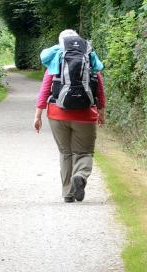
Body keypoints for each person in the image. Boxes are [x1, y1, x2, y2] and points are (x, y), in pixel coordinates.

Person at [34, 29, 106, 202]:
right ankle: (80, 175)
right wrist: (101, 112)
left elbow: (45, 89)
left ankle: (68, 193)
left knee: (65, 153)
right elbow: (99, 87)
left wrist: (38, 115)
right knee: (84, 152)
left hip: (57, 114)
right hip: (85, 114)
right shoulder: (89, 57)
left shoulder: (55, 58)